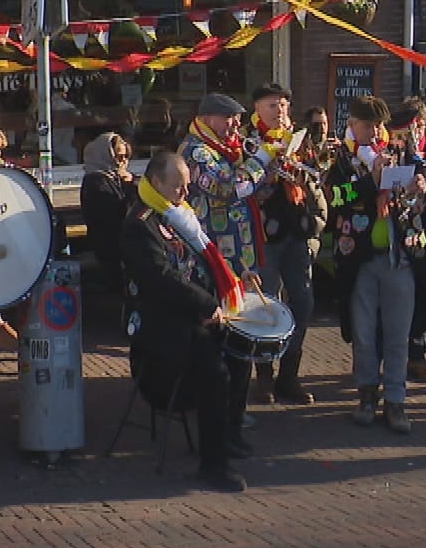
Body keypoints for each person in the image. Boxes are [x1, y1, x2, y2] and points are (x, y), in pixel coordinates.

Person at [120, 150, 252, 492]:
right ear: (156, 182)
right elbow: (161, 279)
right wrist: (206, 306)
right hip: (161, 325)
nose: (186, 192)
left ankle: (228, 434)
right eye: (178, 186)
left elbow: (201, 264)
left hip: (188, 312)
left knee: (241, 349)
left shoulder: (178, 214)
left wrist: (233, 281)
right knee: (215, 371)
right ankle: (213, 464)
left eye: (187, 185)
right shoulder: (141, 223)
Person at [327, 94, 426, 434]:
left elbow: (425, 174)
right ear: (352, 124)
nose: (374, 132)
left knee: (398, 334)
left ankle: (396, 400)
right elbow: (334, 199)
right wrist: (369, 182)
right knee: (363, 334)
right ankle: (367, 395)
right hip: (358, 258)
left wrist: (423, 183)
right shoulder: (339, 158)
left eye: (378, 126)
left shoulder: (399, 150)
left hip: (399, 254)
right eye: (367, 126)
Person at [178, 92, 274, 408]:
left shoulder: (228, 149)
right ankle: (220, 409)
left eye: (238, 119)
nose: (236, 125)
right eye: (229, 118)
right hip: (214, 258)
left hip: (238, 257)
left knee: (240, 334)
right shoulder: (197, 151)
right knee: (220, 337)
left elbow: (247, 188)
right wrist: (262, 160)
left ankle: (235, 407)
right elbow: (230, 188)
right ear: (208, 118)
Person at [251, 83, 327, 405]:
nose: (279, 112)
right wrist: (267, 174)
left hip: (297, 235)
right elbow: (242, 188)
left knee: (303, 302)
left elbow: (316, 181)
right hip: (266, 238)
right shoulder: (249, 143)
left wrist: (303, 175)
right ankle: (264, 374)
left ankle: (289, 374)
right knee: (266, 305)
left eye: (283, 105)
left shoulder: (299, 140)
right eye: (272, 106)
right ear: (257, 110)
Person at [391, 98, 426, 384]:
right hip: (398, 234)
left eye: (421, 125)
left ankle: (415, 354)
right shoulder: (393, 149)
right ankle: (404, 358)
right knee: (399, 298)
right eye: (412, 126)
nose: (417, 132)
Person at [80, 132, 135, 290]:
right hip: (109, 250)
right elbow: (117, 214)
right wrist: (129, 187)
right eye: (119, 157)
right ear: (108, 156)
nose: (123, 162)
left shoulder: (114, 178)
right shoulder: (96, 182)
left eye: (126, 157)